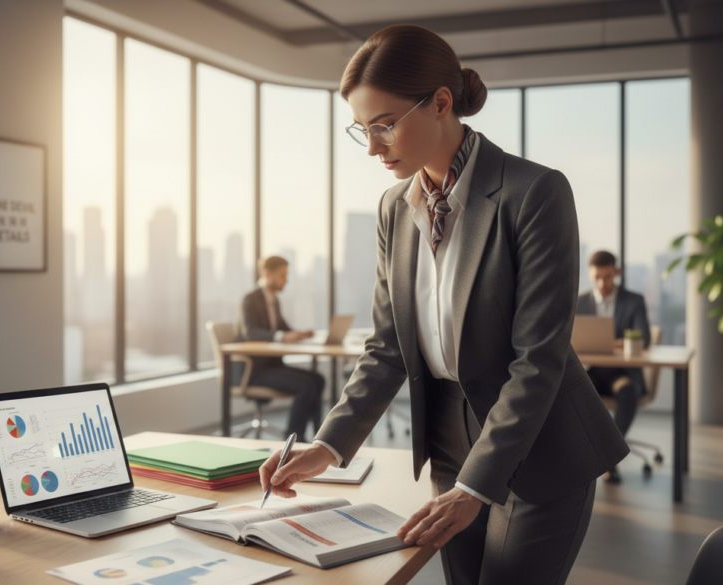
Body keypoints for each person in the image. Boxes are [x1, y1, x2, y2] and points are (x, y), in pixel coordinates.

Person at [257, 24, 628, 585]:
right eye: (362, 131)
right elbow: (387, 349)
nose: (374, 147)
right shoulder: (393, 208)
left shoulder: (535, 193)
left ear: (441, 103)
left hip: (542, 447)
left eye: (384, 125)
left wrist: (476, 486)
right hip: (451, 442)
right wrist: (327, 445)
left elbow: (539, 361)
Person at [576, 250, 652, 484]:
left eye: (607, 277)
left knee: (628, 390)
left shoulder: (633, 301)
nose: (602, 283)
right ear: (590, 274)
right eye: (597, 277)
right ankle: (586, 456)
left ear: (616, 273)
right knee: (570, 390)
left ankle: (608, 457)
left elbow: (644, 337)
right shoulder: (580, 302)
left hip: (622, 374)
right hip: (592, 372)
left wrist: (622, 342)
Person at [235, 256, 325, 439]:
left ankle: (319, 437)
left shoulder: (274, 301)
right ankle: (293, 438)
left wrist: (299, 334)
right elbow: (250, 333)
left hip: (272, 366)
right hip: (254, 371)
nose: (286, 280)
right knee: (306, 386)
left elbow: (283, 329)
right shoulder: (250, 299)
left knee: (318, 379)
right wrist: (283, 336)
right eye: (282, 276)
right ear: (268, 274)